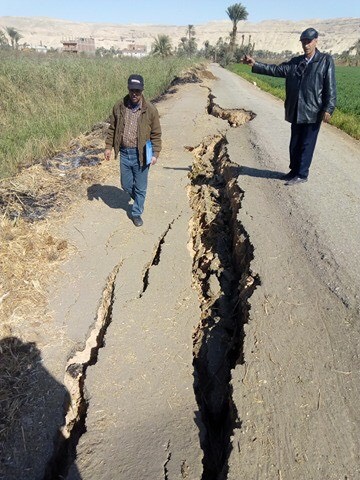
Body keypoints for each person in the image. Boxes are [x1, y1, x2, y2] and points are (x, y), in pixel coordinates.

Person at [243, 28, 336, 185]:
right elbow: (276, 70)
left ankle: (302, 174)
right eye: (303, 41)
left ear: (316, 41)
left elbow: (331, 86)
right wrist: (255, 64)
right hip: (296, 109)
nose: (306, 45)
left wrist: (329, 107)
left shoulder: (325, 61)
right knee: (295, 143)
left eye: (309, 41)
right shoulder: (296, 62)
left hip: (313, 111)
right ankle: (294, 171)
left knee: (307, 143)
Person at [104, 74, 162, 226]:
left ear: (142, 90)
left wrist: (155, 153)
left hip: (142, 154)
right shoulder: (119, 106)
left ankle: (136, 212)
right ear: (128, 89)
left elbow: (156, 134)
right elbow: (112, 128)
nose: (134, 94)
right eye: (132, 90)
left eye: (138, 90)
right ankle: (139, 199)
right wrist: (108, 147)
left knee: (141, 186)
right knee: (126, 184)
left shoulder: (150, 110)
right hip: (124, 153)